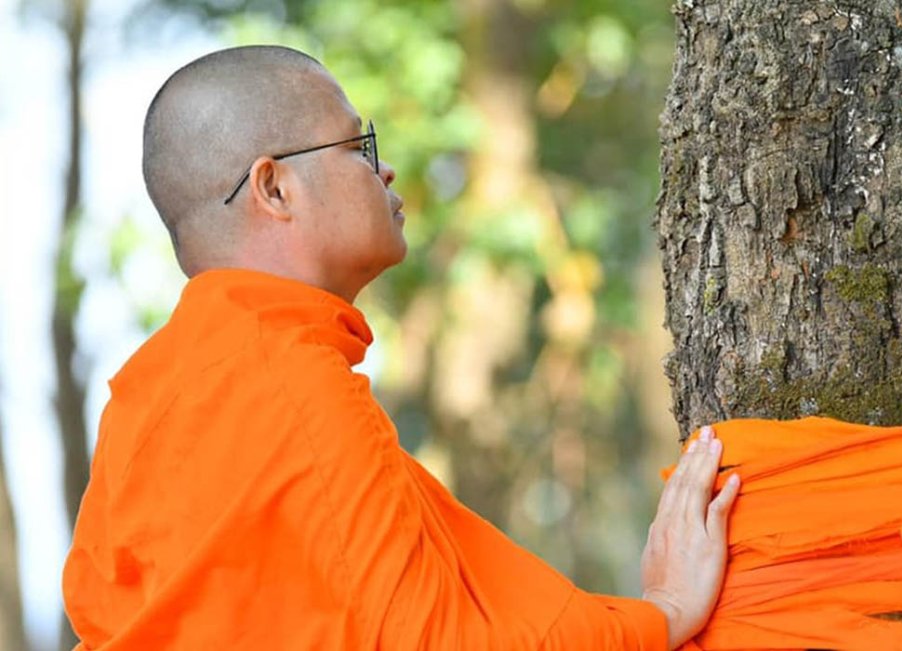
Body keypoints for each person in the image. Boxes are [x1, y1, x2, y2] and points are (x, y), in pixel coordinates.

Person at [62, 45, 741, 650]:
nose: (385, 170)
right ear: (274, 188)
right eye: (359, 147)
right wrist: (663, 614)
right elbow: (435, 639)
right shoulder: (287, 378)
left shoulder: (142, 404)